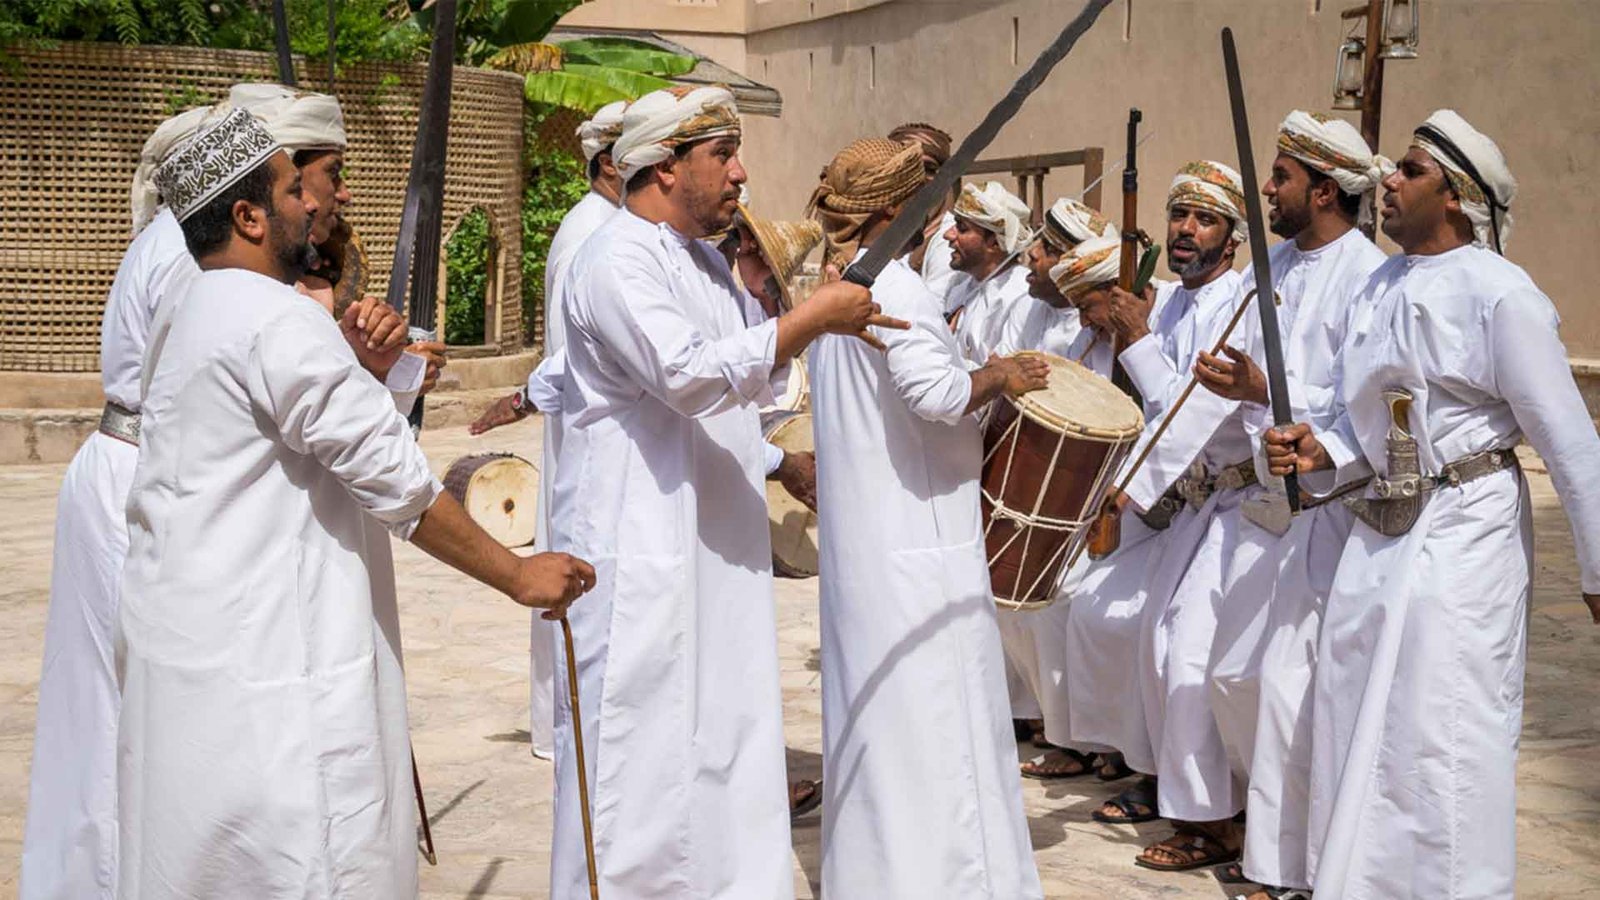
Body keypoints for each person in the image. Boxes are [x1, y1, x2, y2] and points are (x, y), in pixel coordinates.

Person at [118, 107, 594, 898]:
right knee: (310, 859)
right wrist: (518, 575)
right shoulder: (273, 317)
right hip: (274, 664)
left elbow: (291, 446)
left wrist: (367, 372)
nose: (316, 204)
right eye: (292, 190)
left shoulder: (188, 306)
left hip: (198, 660)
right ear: (247, 215)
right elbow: (395, 481)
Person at [21, 87, 423, 900]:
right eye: (322, 176)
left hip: (189, 476)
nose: (333, 197)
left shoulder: (235, 262)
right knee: (154, 733)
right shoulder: (209, 267)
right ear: (261, 199)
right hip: (157, 484)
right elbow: (277, 390)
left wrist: (361, 369)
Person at [546, 86, 892, 898]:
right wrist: (812, 320)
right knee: (640, 757)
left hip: (714, 548)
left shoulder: (701, 261)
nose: (741, 173)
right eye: (722, 156)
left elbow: (754, 378)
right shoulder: (615, 258)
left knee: (725, 741)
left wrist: (797, 318)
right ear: (665, 168)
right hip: (642, 551)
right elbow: (692, 376)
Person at [1265, 110, 1600, 900]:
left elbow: (1570, 441)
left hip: (1465, 533)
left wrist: (1597, 566)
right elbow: (1364, 418)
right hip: (1379, 531)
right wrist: (1324, 450)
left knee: (1442, 729)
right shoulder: (1382, 283)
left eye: (1410, 171)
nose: (1387, 180)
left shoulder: (1502, 294)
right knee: (1359, 717)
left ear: (1457, 197)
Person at [807, 136, 1048, 899]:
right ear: (895, 209)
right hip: (919, 545)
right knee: (937, 724)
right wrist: (1001, 374)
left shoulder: (832, 286)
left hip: (869, 546)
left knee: (882, 721)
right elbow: (937, 397)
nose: (942, 214)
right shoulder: (898, 291)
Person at [1188, 110, 1386, 900]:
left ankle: (1289, 867)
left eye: (1281, 177)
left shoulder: (1368, 274)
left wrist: (1268, 392)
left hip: (1332, 512)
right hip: (1261, 506)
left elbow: (1359, 402)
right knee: (1235, 677)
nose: (1267, 190)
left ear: (1326, 190)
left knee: (1291, 692)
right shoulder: (1267, 264)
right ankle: (1265, 839)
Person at [1104, 161, 1254, 872]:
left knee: (1190, 653)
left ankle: (1217, 822)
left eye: (1205, 220)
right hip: (1191, 505)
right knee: (1157, 646)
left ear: (1232, 237)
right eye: (1180, 216)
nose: (1186, 231)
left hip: (1241, 502)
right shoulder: (1168, 300)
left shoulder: (1239, 304)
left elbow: (1189, 415)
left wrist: (1135, 339)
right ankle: (1184, 796)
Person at [469, 99, 628, 760]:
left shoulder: (603, 226)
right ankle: (569, 729)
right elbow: (573, 364)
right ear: (615, 164)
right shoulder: (592, 235)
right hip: (590, 441)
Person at [947, 181, 1034, 366]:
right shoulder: (958, 286)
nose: (948, 235)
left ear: (994, 242)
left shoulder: (1021, 296)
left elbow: (1002, 376)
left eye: (962, 229)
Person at [888, 121, 962, 305]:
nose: (917, 178)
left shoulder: (948, 240)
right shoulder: (880, 228)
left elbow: (929, 307)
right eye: (907, 167)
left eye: (928, 169)